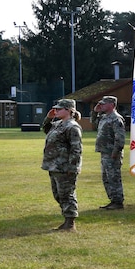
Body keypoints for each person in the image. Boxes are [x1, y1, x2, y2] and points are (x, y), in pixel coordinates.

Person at [42, 99, 83, 231]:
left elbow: (76, 149)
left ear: (69, 110)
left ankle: (70, 223)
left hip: (65, 167)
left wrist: (72, 167)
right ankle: (67, 218)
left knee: (67, 194)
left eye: (60, 109)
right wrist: (48, 118)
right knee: (58, 194)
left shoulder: (72, 127)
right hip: (54, 165)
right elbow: (45, 129)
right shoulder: (58, 124)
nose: (56, 111)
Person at [94, 95, 126, 210]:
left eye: (104, 104)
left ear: (112, 105)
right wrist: (95, 111)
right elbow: (93, 123)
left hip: (112, 153)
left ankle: (118, 202)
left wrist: (116, 152)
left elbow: (120, 138)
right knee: (106, 178)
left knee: (113, 177)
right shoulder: (105, 117)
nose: (101, 105)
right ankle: (113, 200)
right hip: (105, 152)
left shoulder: (116, 119)